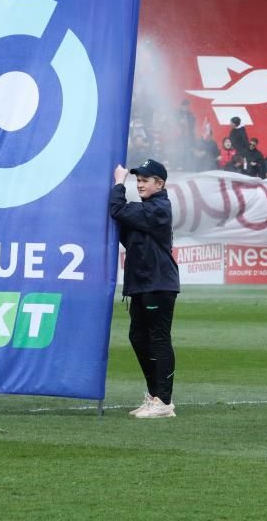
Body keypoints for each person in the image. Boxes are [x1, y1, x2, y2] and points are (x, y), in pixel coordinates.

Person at [110, 159, 180, 419]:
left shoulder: (159, 207)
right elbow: (119, 219)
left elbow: (118, 209)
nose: (139, 184)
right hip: (142, 284)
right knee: (138, 338)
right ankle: (154, 396)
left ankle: (164, 401)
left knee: (158, 339)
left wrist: (119, 183)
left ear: (159, 184)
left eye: (144, 180)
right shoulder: (145, 209)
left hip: (159, 282)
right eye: (137, 180)